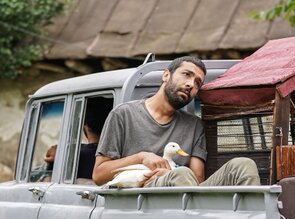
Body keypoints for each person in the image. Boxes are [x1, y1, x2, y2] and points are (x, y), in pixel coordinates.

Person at [93, 56, 259, 187]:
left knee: (243, 165)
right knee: (181, 173)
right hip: (142, 196)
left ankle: (251, 218)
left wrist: (169, 175)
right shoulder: (123, 114)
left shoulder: (194, 125)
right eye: (186, 74)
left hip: (187, 195)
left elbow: (197, 180)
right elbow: (99, 175)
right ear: (166, 75)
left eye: (197, 83)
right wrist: (141, 157)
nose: (190, 84)